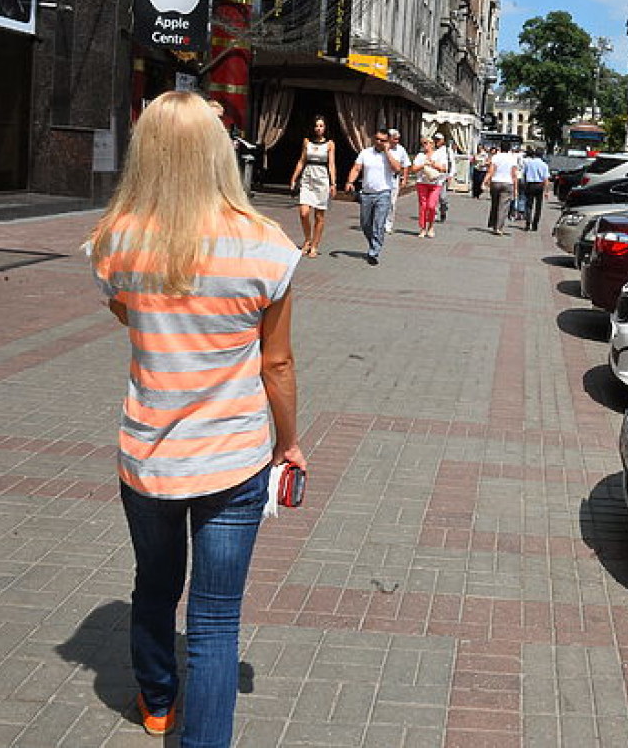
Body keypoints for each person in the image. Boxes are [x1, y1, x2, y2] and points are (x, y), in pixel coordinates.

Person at [85, 90, 305, 746]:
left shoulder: (114, 240)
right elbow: (278, 364)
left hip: (146, 453)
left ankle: (157, 702)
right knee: (213, 620)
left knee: (153, 583)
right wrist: (288, 444)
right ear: (218, 152)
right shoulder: (267, 245)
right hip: (234, 455)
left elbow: (131, 320)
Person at [344, 128, 403, 265]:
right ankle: (374, 242)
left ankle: (374, 252)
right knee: (365, 224)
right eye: (377, 139)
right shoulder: (365, 153)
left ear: (387, 141)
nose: (379, 142)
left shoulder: (391, 155)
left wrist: (387, 152)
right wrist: (350, 181)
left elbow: (398, 168)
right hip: (367, 194)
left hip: (383, 193)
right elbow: (356, 168)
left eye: (382, 140)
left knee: (378, 224)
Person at [288, 116, 336, 257]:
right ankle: (307, 239)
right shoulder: (307, 142)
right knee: (303, 213)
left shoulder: (330, 144)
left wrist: (333, 183)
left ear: (325, 128)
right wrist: (294, 177)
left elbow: (331, 164)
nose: (318, 128)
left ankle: (314, 245)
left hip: (322, 178)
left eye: (321, 126)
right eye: (316, 126)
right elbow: (302, 160)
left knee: (319, 216)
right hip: (308, 177)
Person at [410, 133, 451, 238]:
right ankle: (422, 228)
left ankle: (431, 227)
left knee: (431, 206)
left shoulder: (439, 155)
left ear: (432, 144)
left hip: (435, 183)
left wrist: (433, 164)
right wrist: (423, 165)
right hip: (422, 183)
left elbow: (444, 168)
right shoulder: (420, 155)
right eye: (423, 143)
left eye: (427, 143)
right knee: (423, 206)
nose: (425, 145)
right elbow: (413, 169)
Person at [484, 141, 521, 235]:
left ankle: (493, 224)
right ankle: (499, 227)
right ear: (509, 148)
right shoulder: (512, 158)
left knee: (495, 204)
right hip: (508, 183)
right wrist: (516, 189)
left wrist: (485, 181)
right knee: (503, 207)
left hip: (496, 182)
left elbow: (491, 170)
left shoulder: (496, 157)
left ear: (500, 147)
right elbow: (514, 174)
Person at [383, 128, 411, 235]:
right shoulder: (383, 147)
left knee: (391, 203)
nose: (396, 141)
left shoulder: (400, 149)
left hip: (394, 179)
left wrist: (404, 178)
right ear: (389, 138)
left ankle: (388, 224)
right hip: (382, 178)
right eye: (394, 139)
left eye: (398, 139)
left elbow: (406, 165)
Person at [520, 148, 551, 232]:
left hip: (530, 184)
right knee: (538, 206)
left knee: (528, 204)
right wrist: (547, 191)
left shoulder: (529, 163)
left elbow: (524, 174)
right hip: (539, 185)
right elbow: (546, 179)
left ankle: (527, 223)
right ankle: (535, 224)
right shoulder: (544, 165)